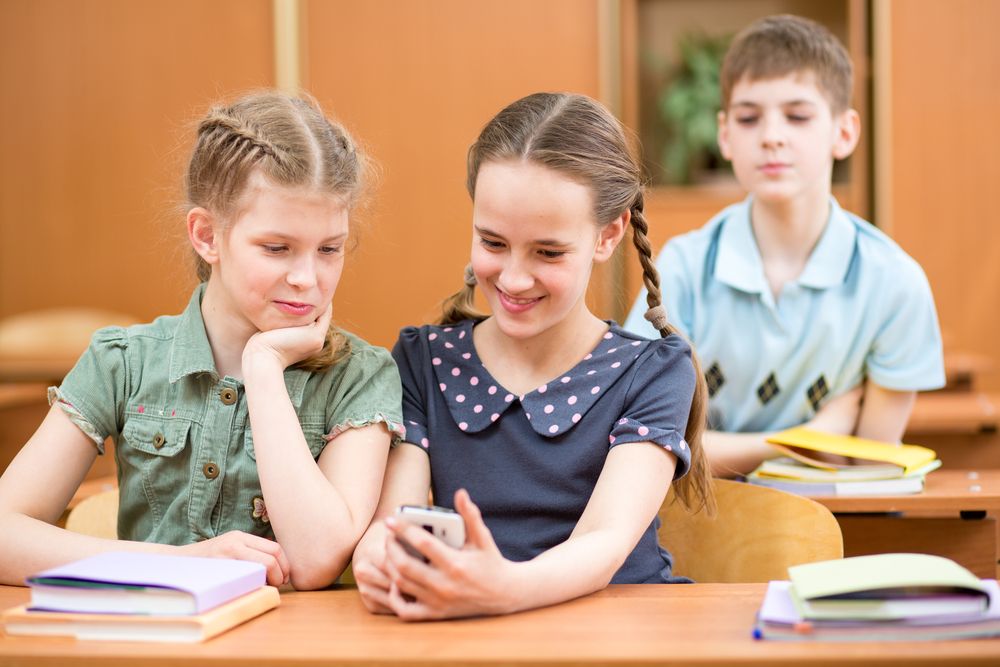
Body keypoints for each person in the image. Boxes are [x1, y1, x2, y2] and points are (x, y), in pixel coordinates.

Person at [0, 91, 403, 590]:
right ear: (207, 236)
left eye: (329, 249)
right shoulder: (122, 362)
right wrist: (178, 563)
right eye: (277, 248)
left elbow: (316, 558)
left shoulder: (362, 376)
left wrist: (263, 368)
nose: (307, 277)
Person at [351, 92, 714, 621]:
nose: (514, 278)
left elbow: (604, 543)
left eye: (548, 252)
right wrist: (378, 561)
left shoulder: (654, 371)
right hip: (467, 630)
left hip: (620, 637)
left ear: (607, 235)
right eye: (493, 243)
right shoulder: (421, 361)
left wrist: (502, 589)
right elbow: (393, 525)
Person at [624, 15, 945, 477]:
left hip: (839, 530)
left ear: (845, 132)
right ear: (726, 135)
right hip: (700, 523)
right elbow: (645, 442)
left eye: (797, 116)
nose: (772, 136)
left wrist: (710, 449)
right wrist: (798, 442)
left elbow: (867, 468)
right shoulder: (684, 268)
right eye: (749, 117)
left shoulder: (895, 282)